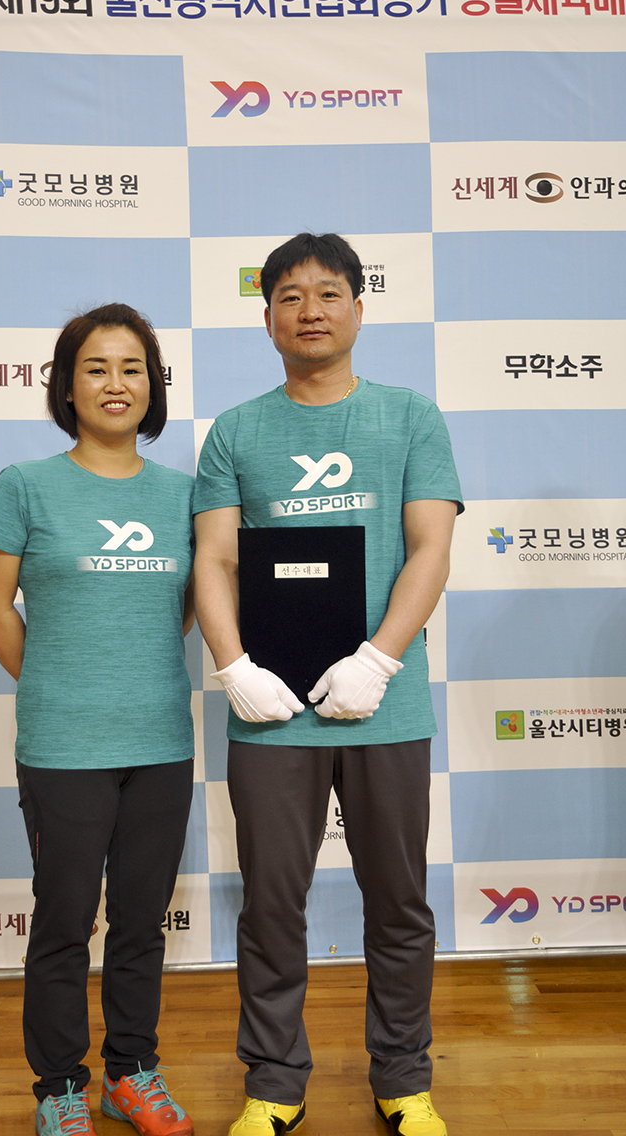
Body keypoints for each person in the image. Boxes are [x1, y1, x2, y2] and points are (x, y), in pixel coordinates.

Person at [192, 234, 463, 1136]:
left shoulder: (410, 416)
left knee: (400, 903)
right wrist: (234, 667)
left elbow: (430, 547)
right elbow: (215, 559)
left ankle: (404, 1078)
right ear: (267, 316)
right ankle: (274, 1083)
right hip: (273, 714)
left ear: (358, 307)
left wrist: (378, 659)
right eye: (290, 296)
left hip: (389, 708)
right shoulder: (236, 431)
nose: (310, 309)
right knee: (272, 905)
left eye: (329, 292)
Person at [0, 303, 196, 1136]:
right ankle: (60, 1085)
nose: (115, 383)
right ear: (67, 387)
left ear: (153, 386)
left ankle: (131, 1072)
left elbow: (182, 609)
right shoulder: (24, 486)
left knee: (141, 922)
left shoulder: (184, 495)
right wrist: (59, 680)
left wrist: (128, 671)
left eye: (132, 368)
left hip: (160, 741)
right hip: (63, 744)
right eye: (96, 368)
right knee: (64, 922)